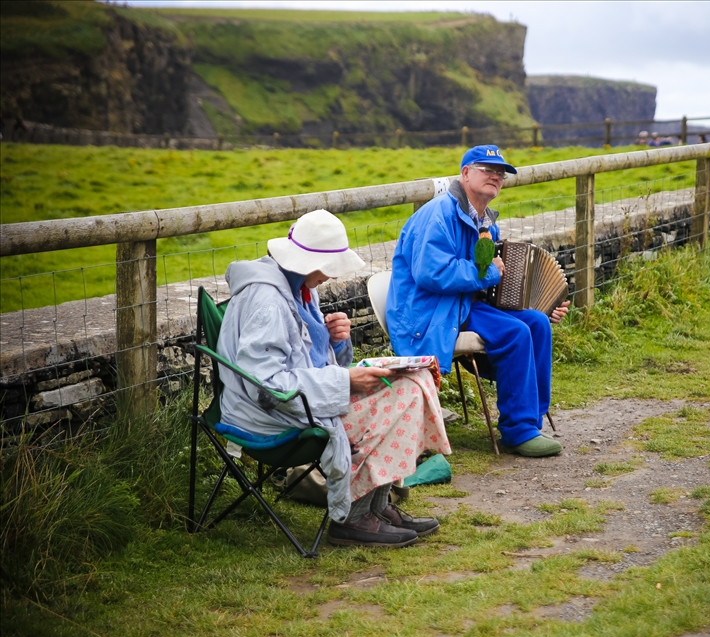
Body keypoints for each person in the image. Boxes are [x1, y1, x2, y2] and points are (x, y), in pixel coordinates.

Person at [216, 209, 451, 548]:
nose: (330, 277)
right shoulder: (268, 300)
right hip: (267, 417)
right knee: (401, 394)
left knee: (411, 380)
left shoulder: (297, 289)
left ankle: (376, 506)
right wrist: (347, 382)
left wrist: (335, 343)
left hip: (296, 403)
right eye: (328, 267)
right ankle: (354, 520)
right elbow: (265, 385)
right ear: (307, 259)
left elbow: (306, 361)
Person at [386, 145, 570, 458]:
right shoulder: (438, 215)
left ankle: (531, 419)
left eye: (500, 173)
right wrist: (483, 274)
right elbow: (430, 273)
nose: (495, 176)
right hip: (430, 310)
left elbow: (489, 283)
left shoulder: (485, 221)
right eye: (487, 169)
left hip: (461, 303)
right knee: (515, 333)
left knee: (536, 323)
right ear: (465, 173)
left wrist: (543, 305)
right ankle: (517, 431)